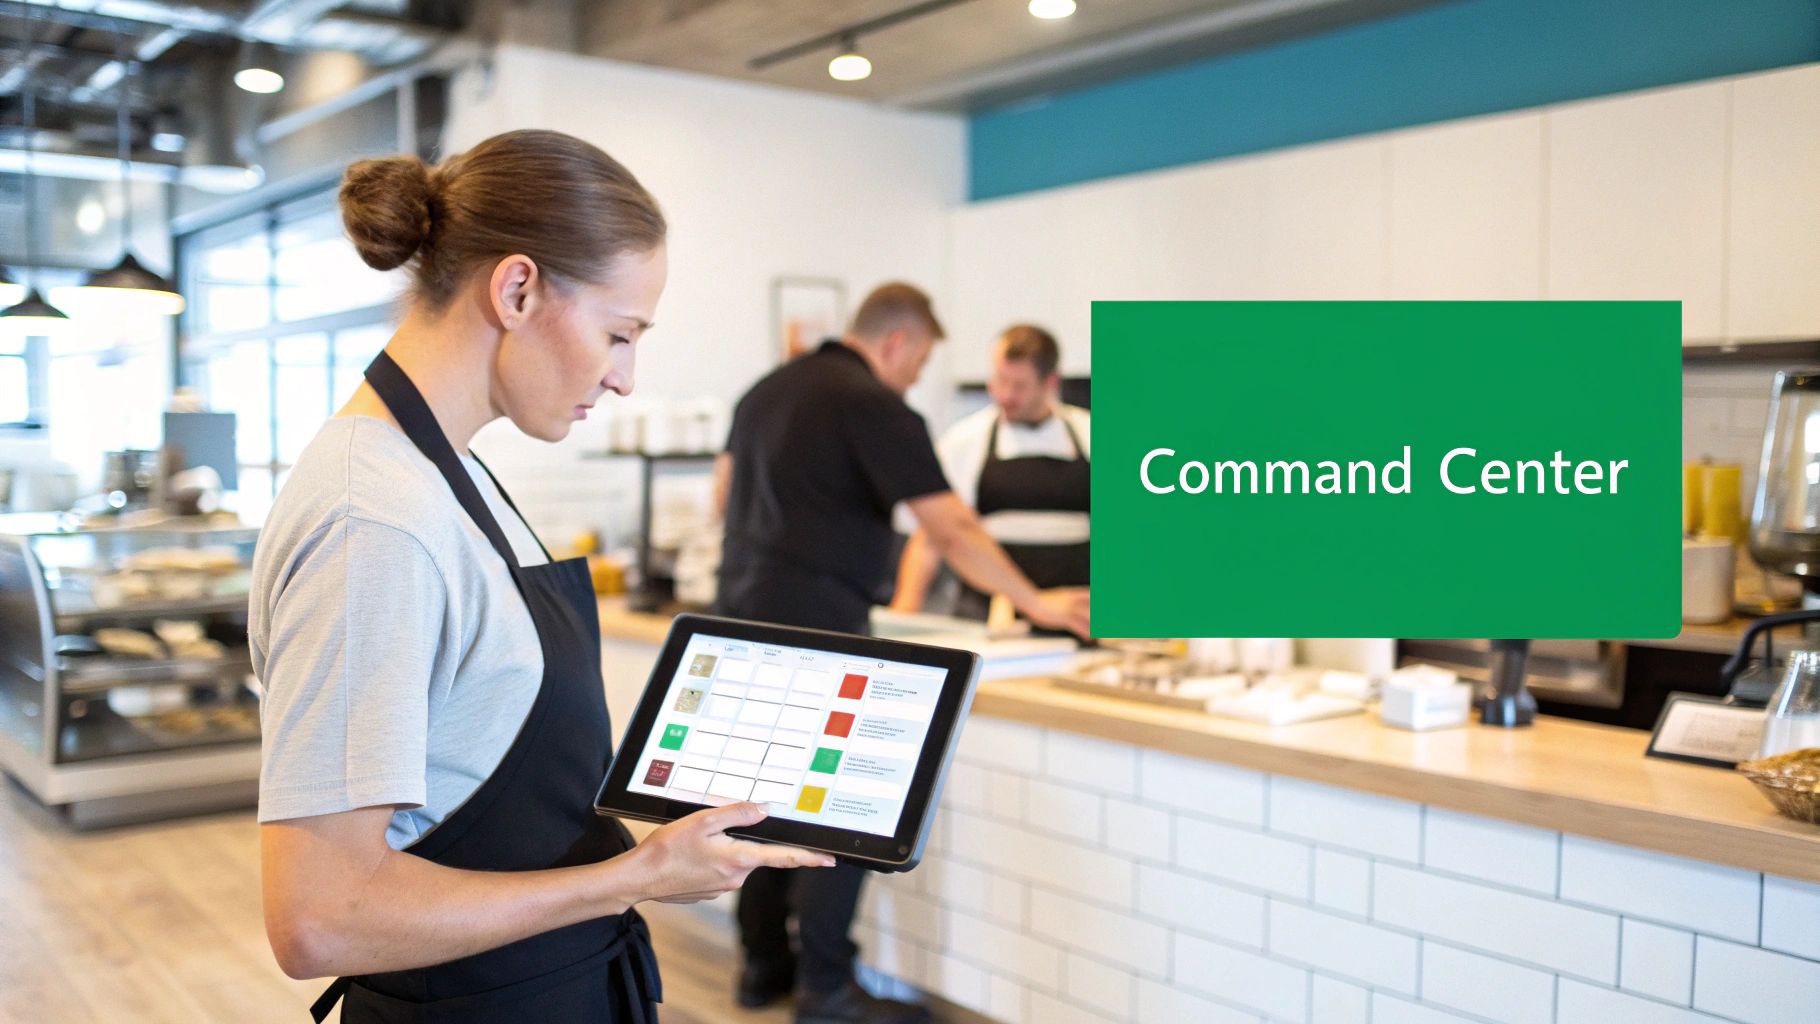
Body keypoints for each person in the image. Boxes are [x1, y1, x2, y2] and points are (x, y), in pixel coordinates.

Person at [252, 129, 834, 1024]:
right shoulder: (373, 521)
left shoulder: (449, 471)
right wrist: (631, 878)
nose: (626, 377)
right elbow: (321, 918)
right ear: (517, 288)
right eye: (619, 333)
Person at [714, 283, 1090, 1024]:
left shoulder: (766, 390)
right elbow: (950, 530)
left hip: (742, 619)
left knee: (758, 799)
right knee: (836, 809)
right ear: (897, 343)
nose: (917, 376)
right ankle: (826, 988)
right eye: (919, 361)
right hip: (822, 628)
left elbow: (723, 497)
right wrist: (1044, 606)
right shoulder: (873, 403)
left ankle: (763, 969)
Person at [892, 324, 1090, 621]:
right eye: (1000, 380)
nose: (1006, 395)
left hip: (1077, 613)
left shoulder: (1093, 434)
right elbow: (932, 536)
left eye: (1020, 386)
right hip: (987, 617)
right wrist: (903, 613)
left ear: (1051, 382)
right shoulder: (964, 441)